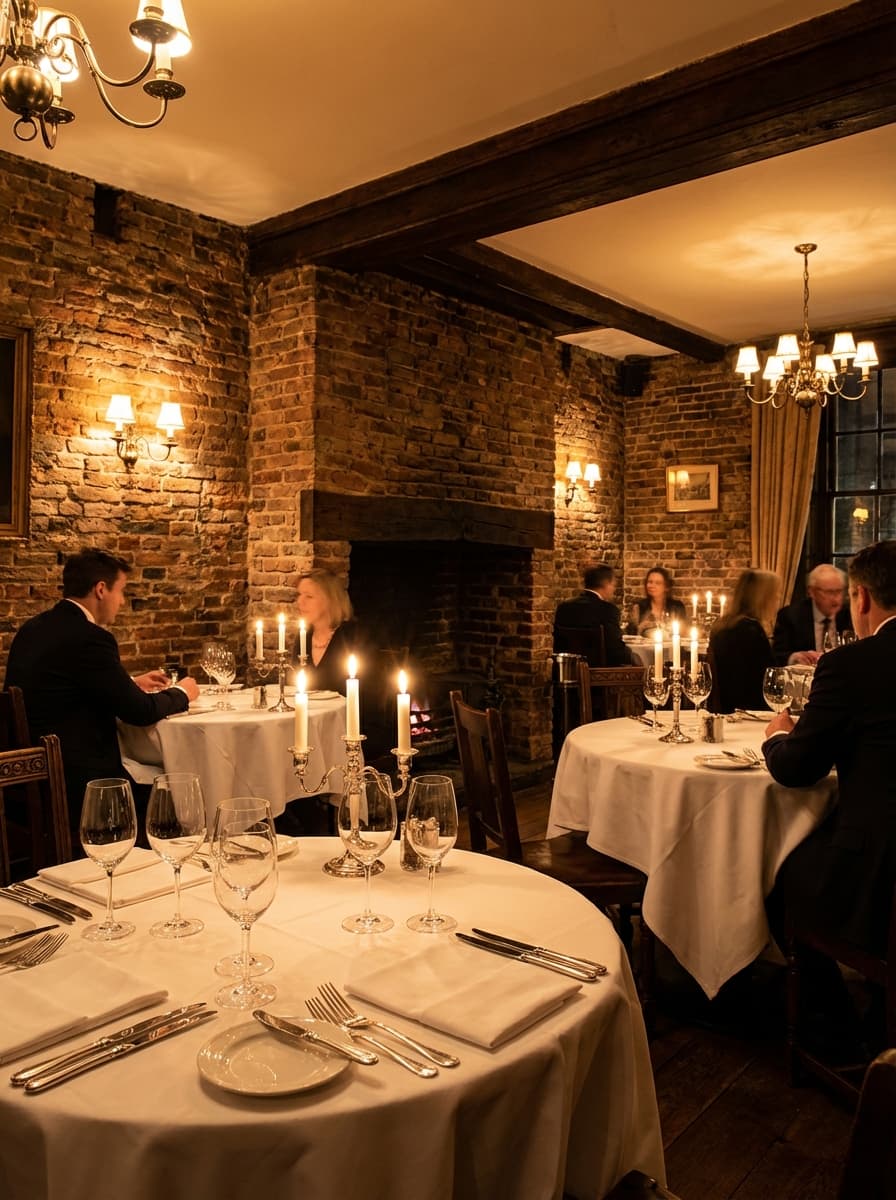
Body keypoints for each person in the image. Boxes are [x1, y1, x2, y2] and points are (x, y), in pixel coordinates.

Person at [4, 548, 200, 833]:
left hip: (29, 781)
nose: (121, 601)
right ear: (100, 590)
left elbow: (66, 686)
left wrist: (130, 683)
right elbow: (139, 711)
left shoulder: (32, 629)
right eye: (121, 591)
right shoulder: (91, 638)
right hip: (80, 785)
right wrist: (183, 693)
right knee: (179, 795)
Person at [763, 540, 896, 958]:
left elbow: (797, 769)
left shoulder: (851, 663)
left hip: (878, 871)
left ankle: (827, 1011)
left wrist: (776, 738)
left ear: (862, 597)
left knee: (767, 874)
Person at [706, 568, 779, 713]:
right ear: (763, 597)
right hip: (749, 712)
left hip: (724, 707)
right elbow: (767, 681)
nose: (778, 598)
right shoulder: (750, 630)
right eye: (775, 594)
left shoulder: (723, 624)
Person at [553, 564, 634, 668]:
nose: (613, 589)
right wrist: (631, 655)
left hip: (567, 670)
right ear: (606, 584)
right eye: (613, 584)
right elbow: (614, 650)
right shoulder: (608, 610)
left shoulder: (563, 608)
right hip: (598, 672)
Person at [771, 563, 853, 665]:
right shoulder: (791, 616)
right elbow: (777, 655)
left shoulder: (850, 614)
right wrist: (794, 657)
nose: (836, 598)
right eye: (829, 592)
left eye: (839, 591)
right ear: (812, 591)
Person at [627, 565, 687, 636]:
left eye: (657, 583)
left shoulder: (677, 607)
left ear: (666, 587)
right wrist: (641, 628)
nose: (652, 586)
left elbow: (683, 633)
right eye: (650, 582)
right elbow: (631, 635)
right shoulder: (639, 607)